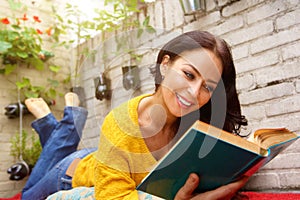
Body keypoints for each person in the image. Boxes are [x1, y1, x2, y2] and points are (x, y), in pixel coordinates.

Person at [8, 30, 249, 200]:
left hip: (109, 158)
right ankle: (64, 120)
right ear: (165, 66)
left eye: (207, 86)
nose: (194, 92)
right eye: (188, 74)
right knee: (27, 196)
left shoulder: (198, 126)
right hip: (72, 173)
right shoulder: (121, 124)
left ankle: (63, 122)